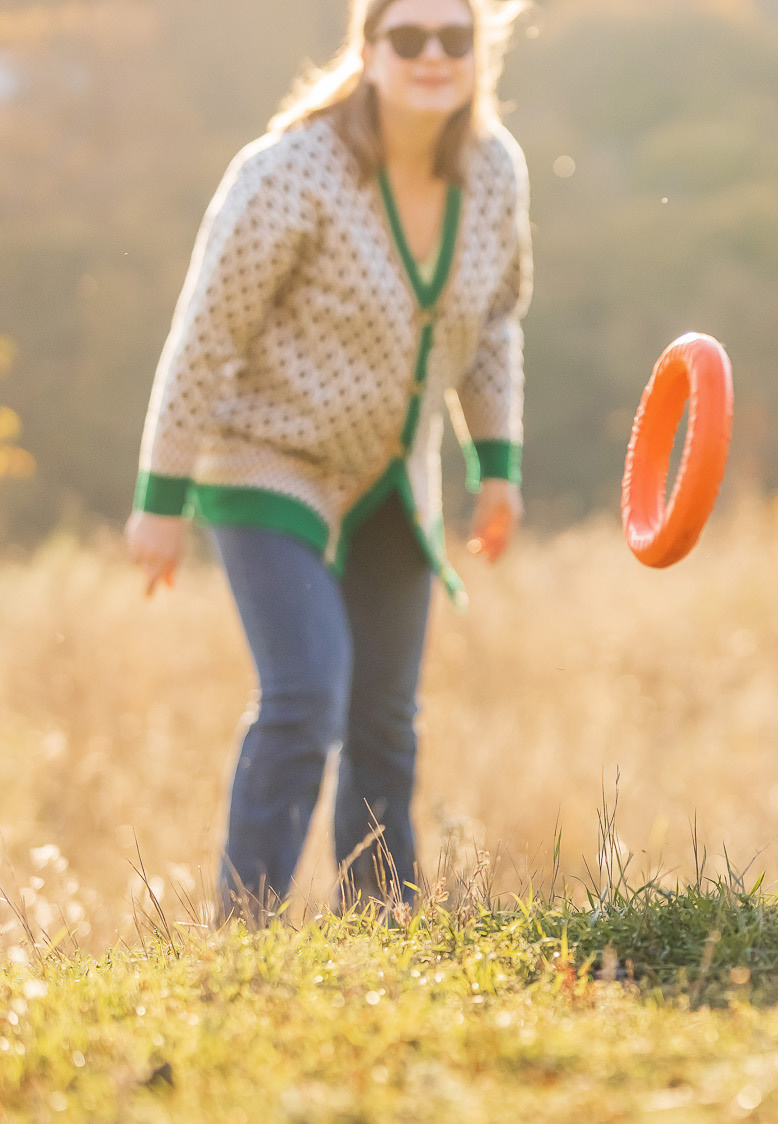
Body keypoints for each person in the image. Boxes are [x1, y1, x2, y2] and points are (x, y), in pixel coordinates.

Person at [124, 0, 532, 920]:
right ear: (369, 48)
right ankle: (247, 934)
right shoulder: (289, 171)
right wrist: (160, 495)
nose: (434, 55)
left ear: (479, 51)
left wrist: (495, 466)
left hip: (395, 474)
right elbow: (204, 335)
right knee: (307, 692)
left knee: (385, 718)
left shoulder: (495, 171)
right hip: (268, 460)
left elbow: (495, 321)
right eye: (409, 37)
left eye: (454, 38)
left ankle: (380, 925)